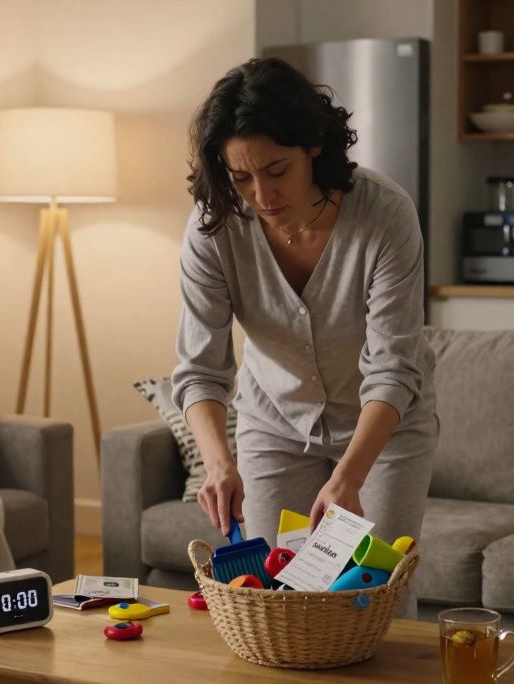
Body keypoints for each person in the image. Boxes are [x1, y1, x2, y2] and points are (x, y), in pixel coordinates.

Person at [172, 57, 438, 610]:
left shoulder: (385, 215)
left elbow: (393, 369)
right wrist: (219, 463)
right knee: (278, 598)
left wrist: (349, 478)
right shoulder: (213, 227)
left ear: (314, 145)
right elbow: (199, 369)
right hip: (275, 424)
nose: (262, 194)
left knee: (375, 596)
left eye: (277, 170)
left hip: (382, 431)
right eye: (241, 177)